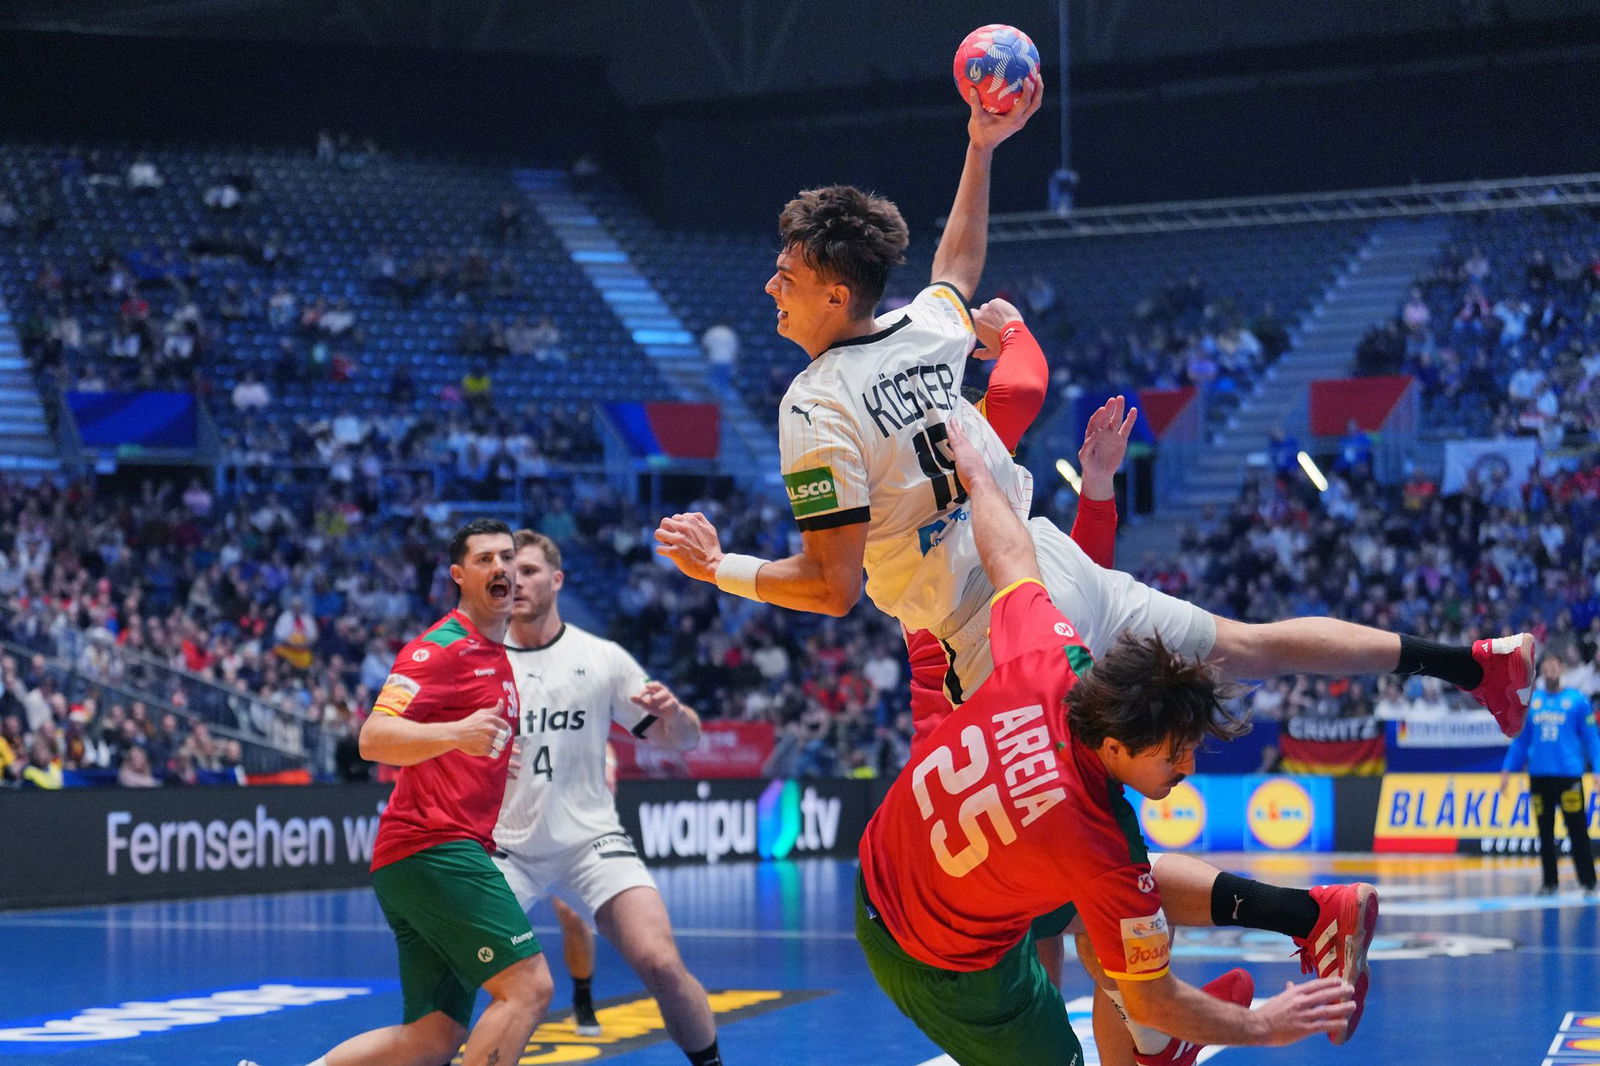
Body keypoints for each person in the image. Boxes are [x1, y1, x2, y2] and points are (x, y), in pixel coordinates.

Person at [652, 75, 1534, 741]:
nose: (770, 285)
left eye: (789, 276)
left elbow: (834, 587)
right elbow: (956, 267)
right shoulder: (924, 327)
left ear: (838, 295)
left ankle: (1258, 930)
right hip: (1054, 558)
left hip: (992, 623)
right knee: (1251, 644)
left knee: (1044, 858)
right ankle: (1475, 664)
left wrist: (721, 566)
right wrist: (980, 147)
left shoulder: (814, 404)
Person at [855, 416, 1359, 1066]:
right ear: (1119, 743)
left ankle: (1158, 1044)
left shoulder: (1049, 665)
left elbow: (1012, 558)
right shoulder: (1097, 837)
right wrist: (1267, 1024)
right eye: (1174, 751)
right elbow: (1154, 992)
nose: (1186, 766)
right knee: (1118, 923)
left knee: (1109, 919)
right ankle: (1158, 1041)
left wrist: (980, 478)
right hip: (934, 954)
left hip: (916, 868)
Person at [242, 518, 551, 1066]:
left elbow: (460, 745)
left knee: (432, 1036)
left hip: (421, 857)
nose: (501, 568)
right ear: (459, 575)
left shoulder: (496, 655)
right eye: (485, 560)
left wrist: (492, 757)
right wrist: (458, 734)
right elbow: (373, 738)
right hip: (434, 848)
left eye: (507, 557)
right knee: (528, 986)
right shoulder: (440, 649)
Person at [492, 530, 723, 1066]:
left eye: (527, 570)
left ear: (557, 580)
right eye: (507, 572)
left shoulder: (600, 658)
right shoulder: (481, 663)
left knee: (661, 963)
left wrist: (675, 716)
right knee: (480, 981)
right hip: (504, 850)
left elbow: (683, 739)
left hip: (590, 842)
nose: (514, 581)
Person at [1500, 653, 1600, 899]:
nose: (1550, 669)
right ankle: (1549, 883)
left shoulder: (1577, 701)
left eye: (1555, 665)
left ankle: (1588, 882)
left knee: (1577, 829)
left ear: (1562, 668)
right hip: (1539, 777)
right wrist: (1507, 769)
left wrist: (1597, 769)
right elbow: (1521, 742)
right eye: (1546, 666)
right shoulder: (1532, 702)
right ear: (1540, 671)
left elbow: (1591, 738)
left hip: (1568, 777)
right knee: (1544, 832)